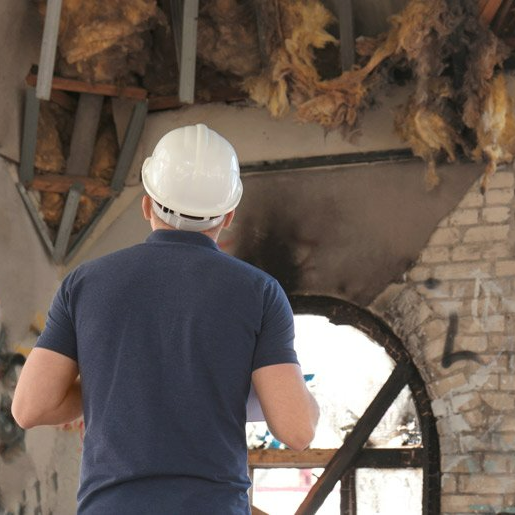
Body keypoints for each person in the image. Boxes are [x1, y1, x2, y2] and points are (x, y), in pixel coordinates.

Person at [12, 123, 319, 514]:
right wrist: (309, 404)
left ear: (146, 204)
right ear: (227, 215)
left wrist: (105, 387)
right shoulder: (259, 292)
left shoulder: (84, 284)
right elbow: (296, 430)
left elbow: (29, 408)